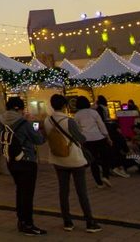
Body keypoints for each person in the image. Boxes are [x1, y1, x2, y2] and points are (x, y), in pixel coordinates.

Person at [44, 95, 101, 233]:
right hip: (74, 159)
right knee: (81, 191)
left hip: (57, 159)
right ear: (65, 105)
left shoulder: (47, 120)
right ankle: (89, 222)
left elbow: (43, 135)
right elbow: (80, 138)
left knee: (63, 191)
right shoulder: (68, 121)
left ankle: (67, 222)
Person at [0, 96, 47, 236]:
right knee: (27, 193)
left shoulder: (0, 121)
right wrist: (35, 127)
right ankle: (28, 224)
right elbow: (38, 140)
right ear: (19, 108)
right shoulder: (23, 122)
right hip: (26, 160)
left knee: (20, 191)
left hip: (11, 160)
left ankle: (21, 221)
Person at [74, 97, 113, 188]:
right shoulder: (94, 112)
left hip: (87, 140)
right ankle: (105, 176)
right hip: (99, 137)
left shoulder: (77, 115)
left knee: (93, 161)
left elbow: (77, 129)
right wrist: (108, 137)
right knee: (104, 158)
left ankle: (99, 183)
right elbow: (101, 125)